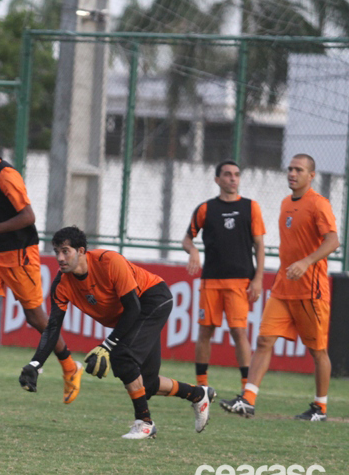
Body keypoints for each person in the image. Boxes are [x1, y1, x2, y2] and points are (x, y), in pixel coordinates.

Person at [19, 226, 216, 439]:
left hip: (152, 299)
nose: (60, 257)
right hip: (132, 314)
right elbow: (53, 327)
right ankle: (198, 395)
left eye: (65, 251)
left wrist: (107, 345)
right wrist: (35, 364)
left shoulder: (109, 261)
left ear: (82, 251)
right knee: (146, 384)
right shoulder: (61, 284)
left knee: (122, 357)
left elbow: (133, 308)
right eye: (56, 251)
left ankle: (145, 422)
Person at [0, 127, 83, 403]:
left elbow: (28, 216)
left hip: (20, 255)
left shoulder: (7, 175)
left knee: (36, 319)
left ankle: (70, 367)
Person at [221, 154, 339, 420]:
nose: (292, 173)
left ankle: (320, 408)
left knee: (318, 351)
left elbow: (333, 241)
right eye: (290, 168)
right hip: (284, 287)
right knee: (264, 340)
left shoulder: (319, 204)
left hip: (311, 290)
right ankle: (248, 400)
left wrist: (307, 262)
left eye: (299, 170)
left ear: (312, 176)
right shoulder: (287, 202)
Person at [182, 160, 265, 391]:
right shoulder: (206, 209)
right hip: (211, 281)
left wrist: (258, 279)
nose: (233, 178)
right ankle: (202, 386)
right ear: (217, 179)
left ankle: (246, 389)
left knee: (239, 331)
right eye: (227, 174)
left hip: (240, 282)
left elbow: (259, 245)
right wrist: (194, 250)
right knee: (205, 331)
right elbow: (187, 239)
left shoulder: (251, 207)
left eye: (236, 174)